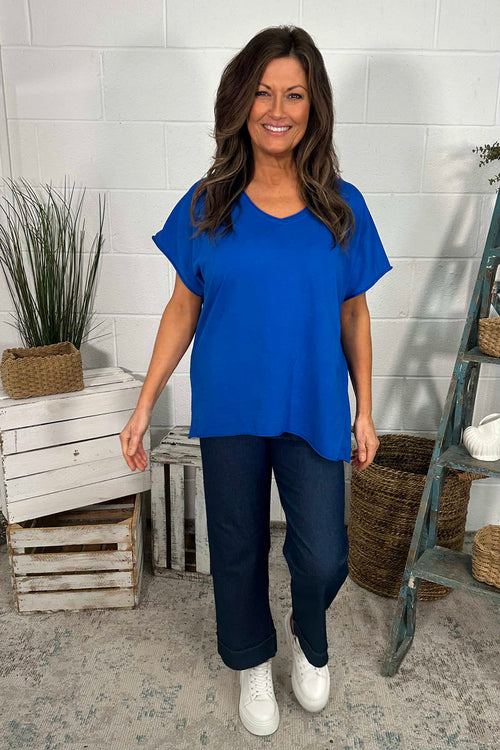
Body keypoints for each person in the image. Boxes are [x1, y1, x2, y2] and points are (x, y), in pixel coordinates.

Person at [120, 25, 393, 737]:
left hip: (314, 406)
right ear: (241, 102)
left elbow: (355, 314)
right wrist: (144, 404)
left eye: (294, 94)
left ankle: (308, 633)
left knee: (324, 554)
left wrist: (366, 409)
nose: (278, 109)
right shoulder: (208, 202)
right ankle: (250, 660)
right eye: (264, 93)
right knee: (237, 546)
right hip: (231, 405)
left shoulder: (342, 206)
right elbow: (182, 309)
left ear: (314, 106)